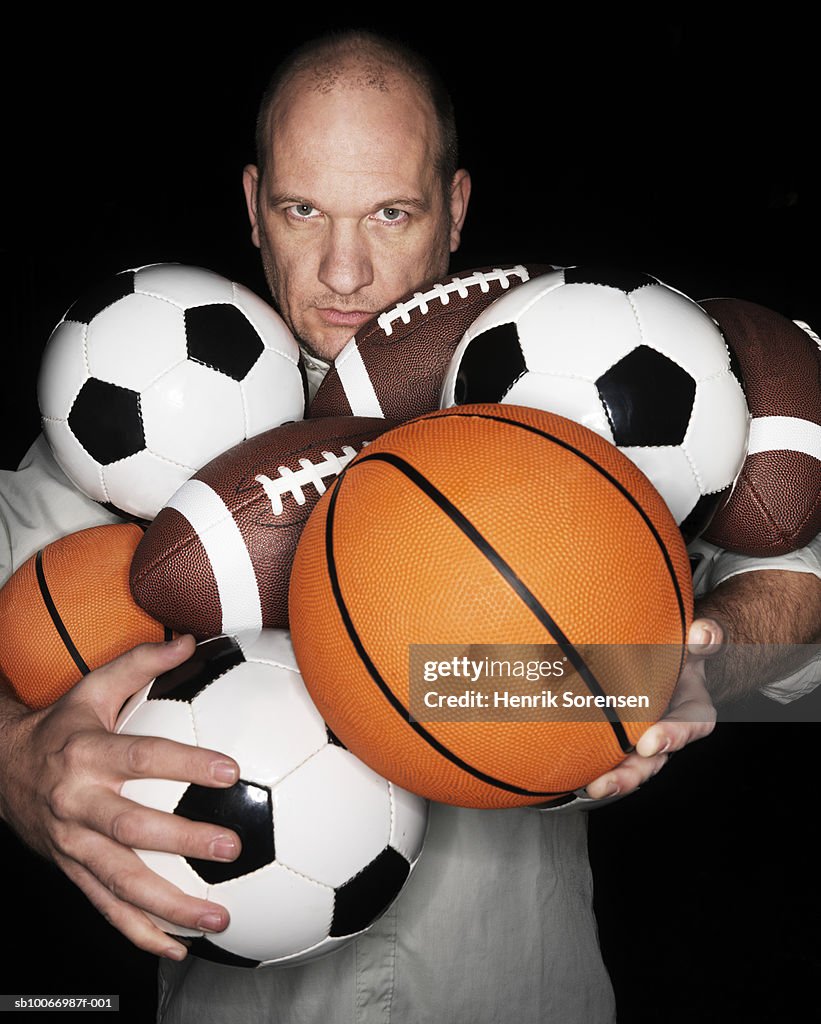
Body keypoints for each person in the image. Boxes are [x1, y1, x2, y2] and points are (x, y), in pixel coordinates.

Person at [1, 27, 819, 1024]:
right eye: (304, 210)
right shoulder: (120, 425)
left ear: (455, 210)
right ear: (254, 207)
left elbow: (799, 598)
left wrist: (679, 672)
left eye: (391, 212)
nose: (344, 271)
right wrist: (16, 763)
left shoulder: (562, 397)